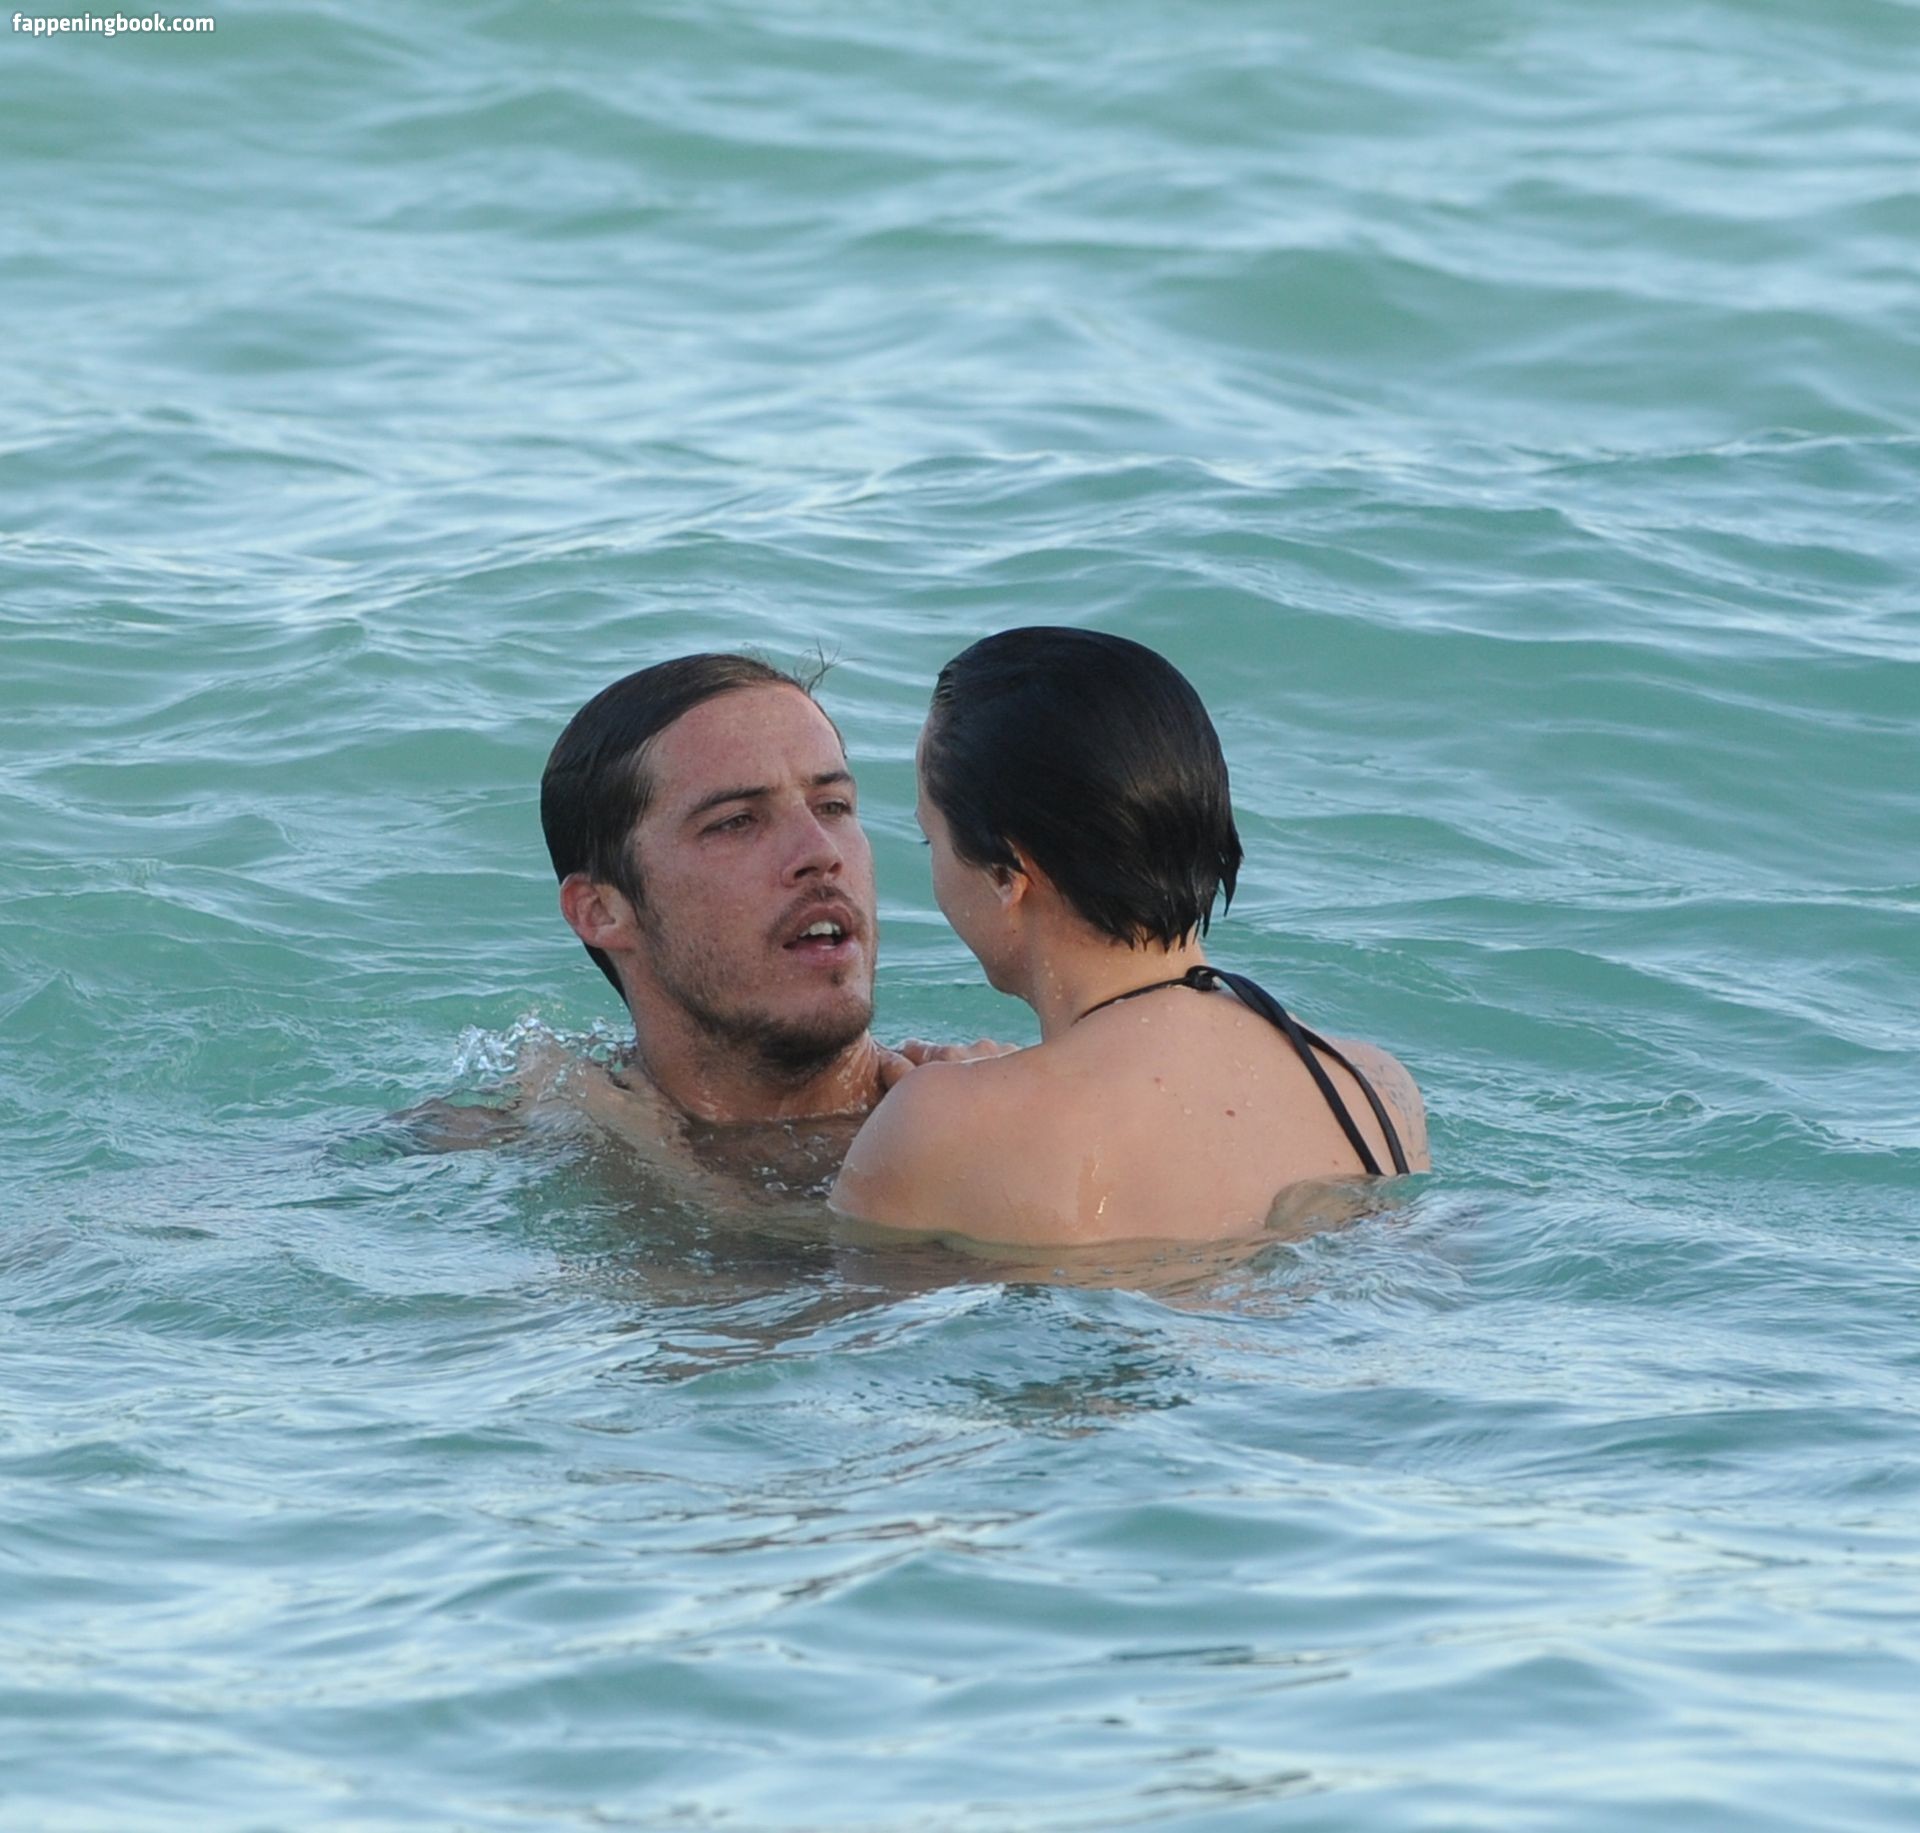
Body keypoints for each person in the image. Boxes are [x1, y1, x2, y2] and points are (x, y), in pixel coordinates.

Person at [831, 628, 1430, 1247]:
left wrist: (961, 1107)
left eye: (930, 839)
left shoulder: (941, 1127)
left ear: (1006, 875)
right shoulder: (1377, 1091)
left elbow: (817, 1289)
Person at [540, 653, 906, 1147]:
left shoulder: (992, 1124)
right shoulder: (522, 1143)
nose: (822, 852)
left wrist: (660, 1166)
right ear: (601, 911)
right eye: (737, 821)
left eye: (833, 806)